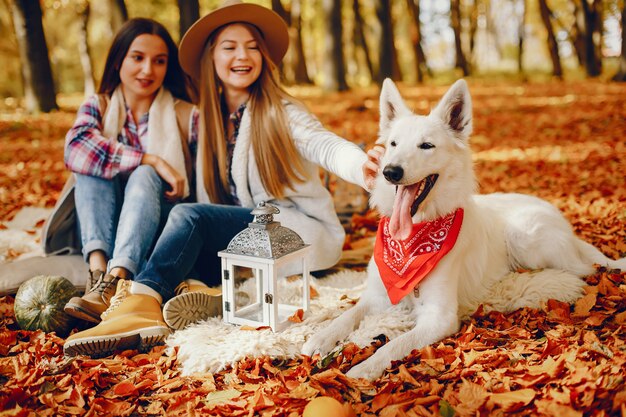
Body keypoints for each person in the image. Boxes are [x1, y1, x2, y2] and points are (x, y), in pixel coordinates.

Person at [63, 0, 381, 357]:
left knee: (190, 217)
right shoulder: (209, 118)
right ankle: (199, 290)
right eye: (229, 47)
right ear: (212, 58)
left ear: (264, 58)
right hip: (243, 235)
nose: (242, 56)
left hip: (290, 230)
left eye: (252, 47)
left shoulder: (281, 111)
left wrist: (360, 165)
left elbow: (322, 143)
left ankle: (142, 303)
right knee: (172, 220)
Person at [61, 18, 199, 325]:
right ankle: (98, 276)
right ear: (118, 60)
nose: (148, 70)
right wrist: (153, 159)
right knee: (92, 166)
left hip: (157, 225)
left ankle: (118, 278)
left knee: (144, 174)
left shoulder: (184, 113)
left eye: (159, 61)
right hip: (105, 225)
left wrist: (148, 167)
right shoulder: (98, 105)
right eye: (137, 58)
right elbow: (76, 149)